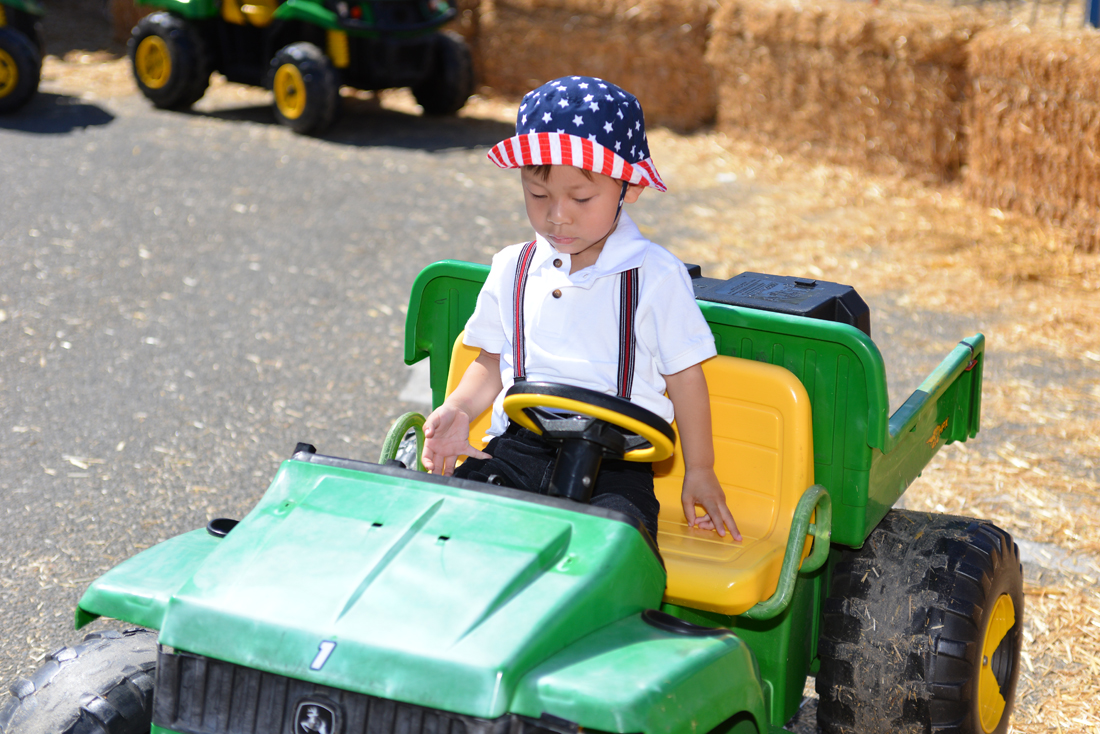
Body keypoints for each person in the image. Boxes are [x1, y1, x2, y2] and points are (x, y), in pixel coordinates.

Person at [421, 76, 740, 541]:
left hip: (618, 465)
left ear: (629, 188)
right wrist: (458, 408)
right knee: (456, 523)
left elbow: (685, 377)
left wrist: (701, 469)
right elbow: (490, 362)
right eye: (538, 194)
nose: (558, 215)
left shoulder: (655, 275)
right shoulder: (513, 268)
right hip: (517, 450)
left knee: (617, 544)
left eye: (581, 198)